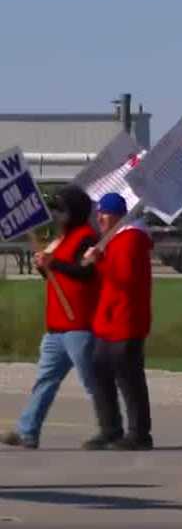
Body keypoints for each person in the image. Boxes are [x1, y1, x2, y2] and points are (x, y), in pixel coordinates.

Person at [1, 185, 99, 449]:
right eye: (54, 209)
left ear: (75, 212)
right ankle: (27, 431)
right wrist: (45, 267)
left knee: (93, 382)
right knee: (45, 381)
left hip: (79, 324)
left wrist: (53, 263)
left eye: (61, 209)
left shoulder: (87, 239)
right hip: (56, 327)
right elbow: (59, 278)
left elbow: (85, 273)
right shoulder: (62, 239)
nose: (56, 215)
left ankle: (111, 429)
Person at [81, 193, 155, 451]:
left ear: (119, 215)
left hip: (126, 320)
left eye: (105, 213)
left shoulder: (132, 239)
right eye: (98, 212)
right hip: (108, 319)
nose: (100, 217)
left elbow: (123, 277)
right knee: (100, 373)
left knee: (129, 378)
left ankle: (139, 433)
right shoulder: (112, 239)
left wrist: (98, 261)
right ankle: (110, 428)